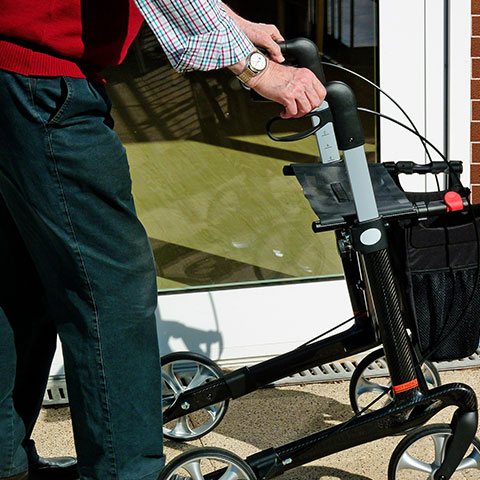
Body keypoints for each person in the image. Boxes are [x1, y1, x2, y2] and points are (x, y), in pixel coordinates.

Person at [0, 1, 326, 479]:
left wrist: (234, 25)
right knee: (110, 291)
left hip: (16, 73)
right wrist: (255, 70)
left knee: (21, 278)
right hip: (41, 82)